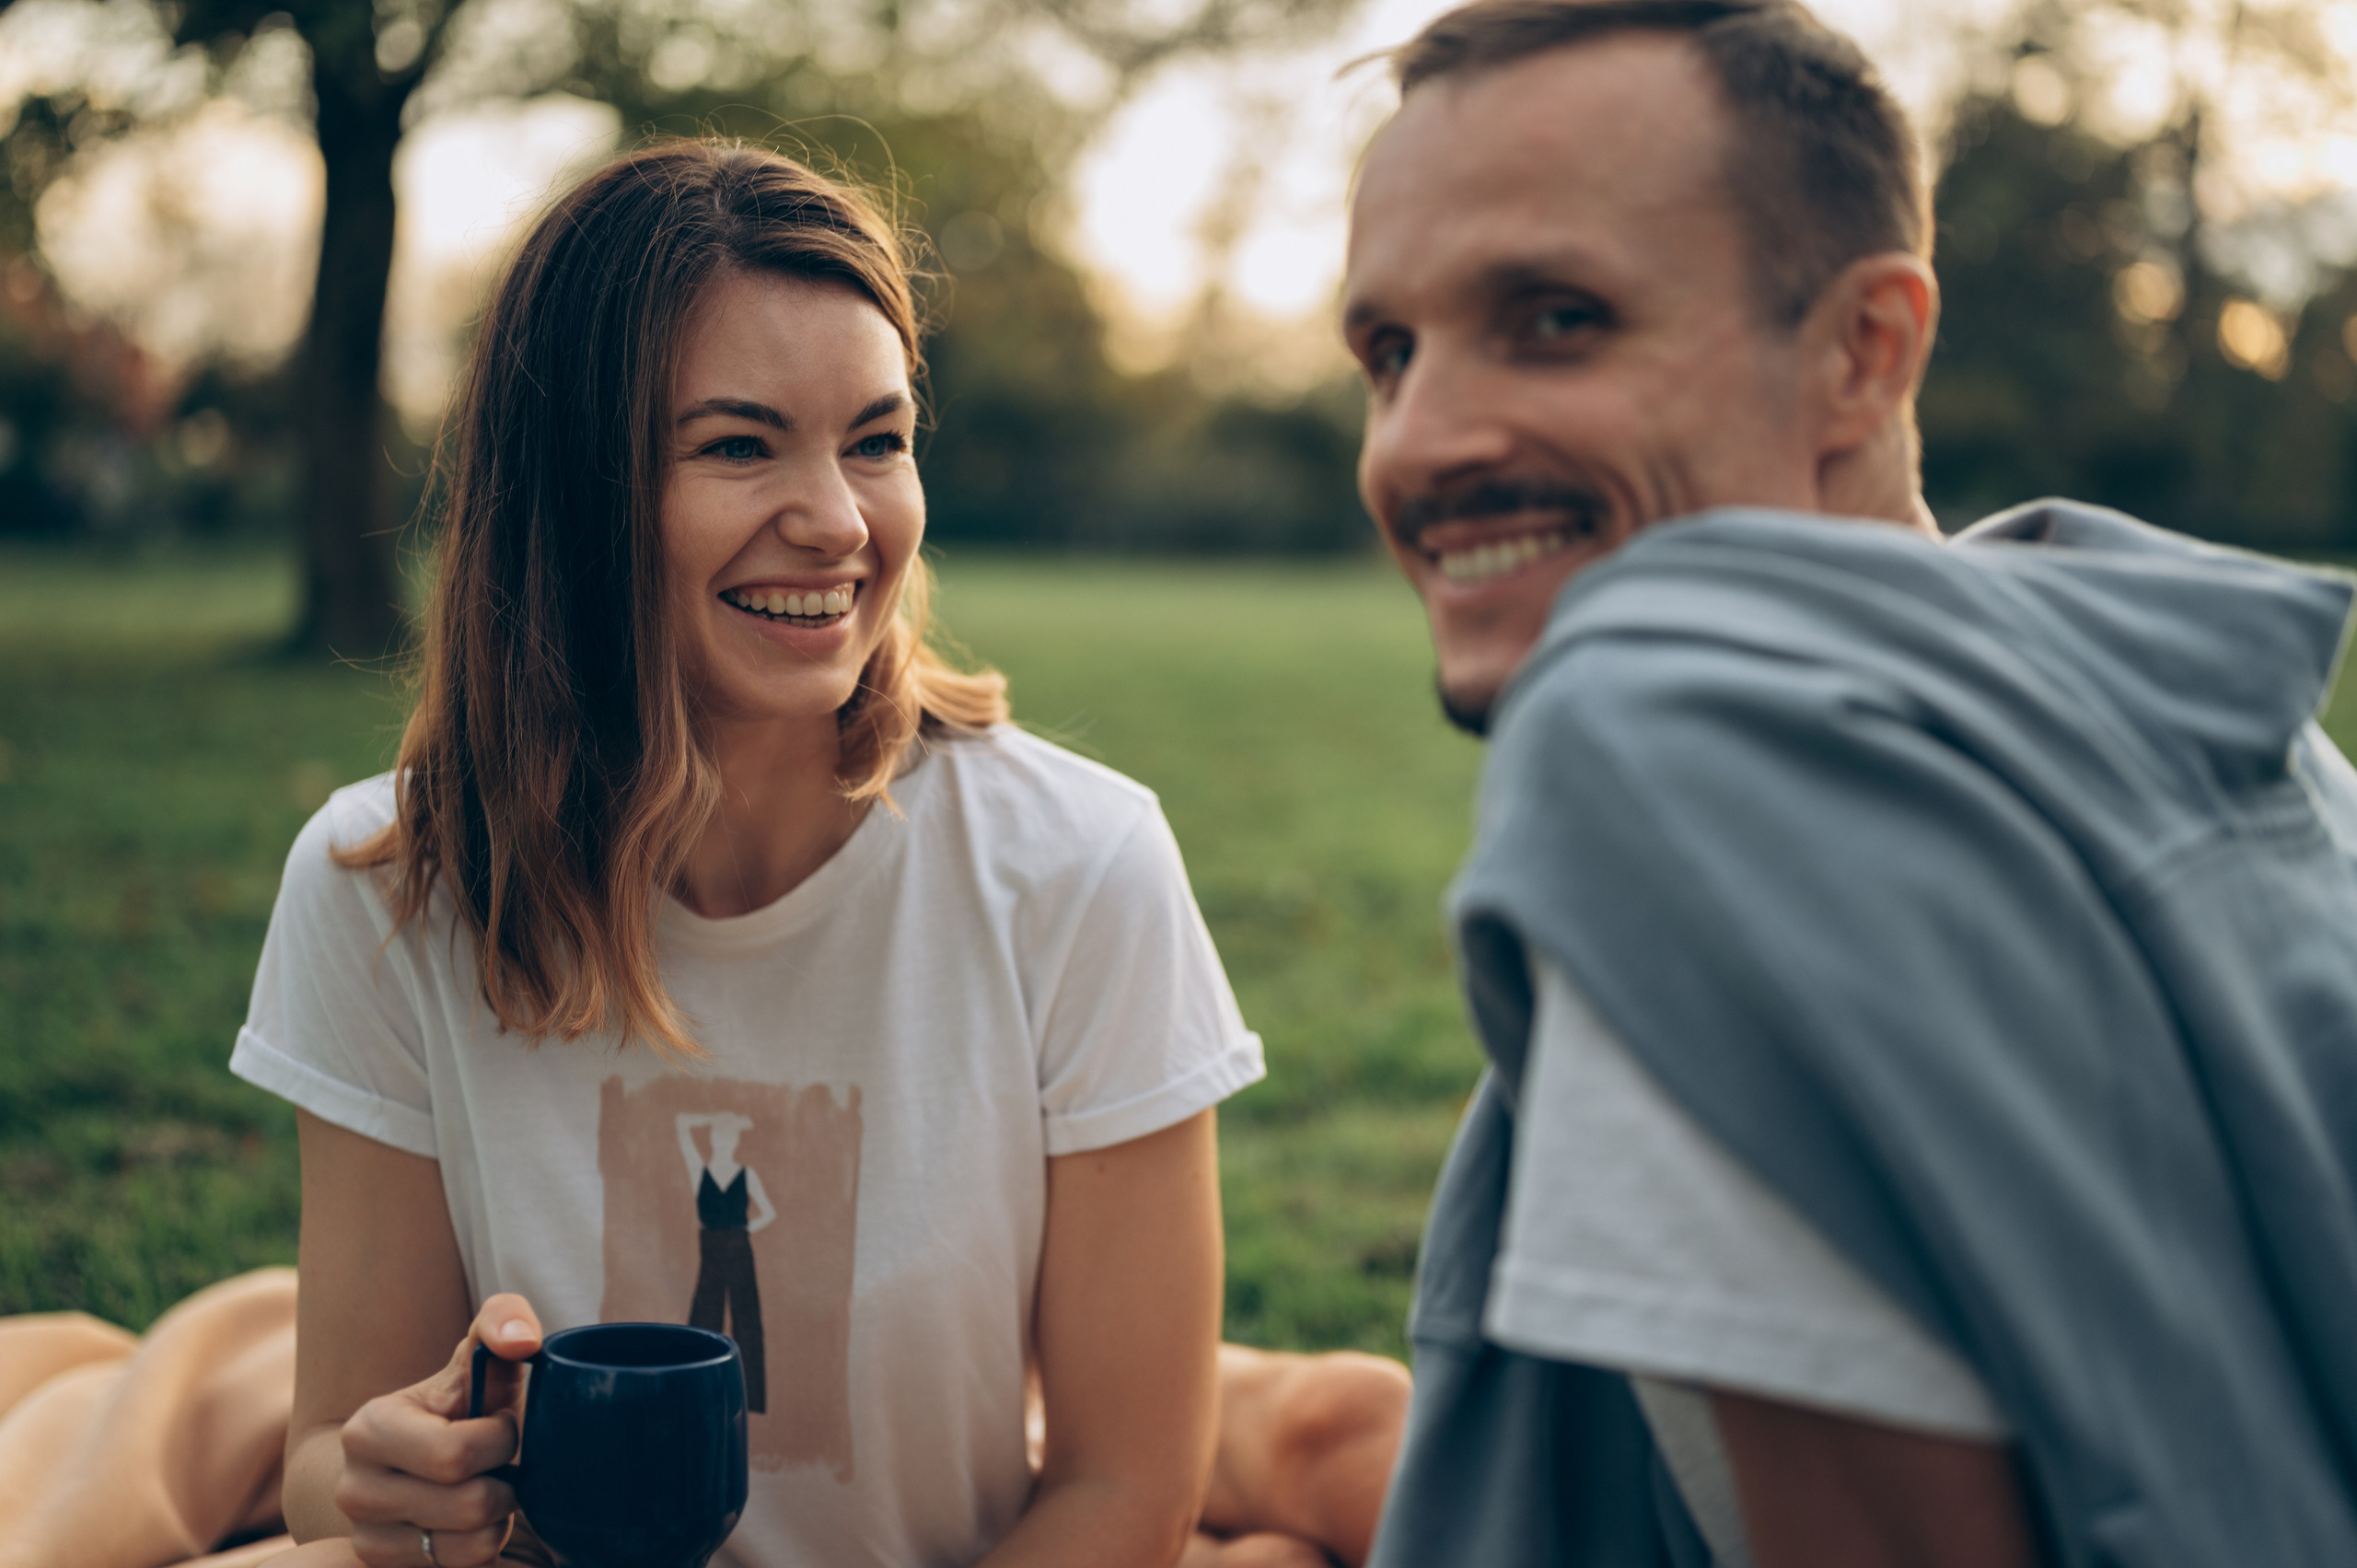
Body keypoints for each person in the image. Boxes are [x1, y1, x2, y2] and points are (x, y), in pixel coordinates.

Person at [233, 140, 1402, 1568]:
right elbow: (328, 1462)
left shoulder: (1080, 868)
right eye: (740, 446)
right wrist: (395, 1489)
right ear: (569, 493)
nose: (840, 522)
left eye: (877, 439)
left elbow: (1127, 1488)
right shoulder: (386, 883)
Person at [1342, 2, 2357, 1565]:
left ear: (1863, 350)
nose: (1419, 444)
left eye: (1555, 320)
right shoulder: (2179, 697)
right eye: (1389, 354)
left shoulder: (1692, 777)